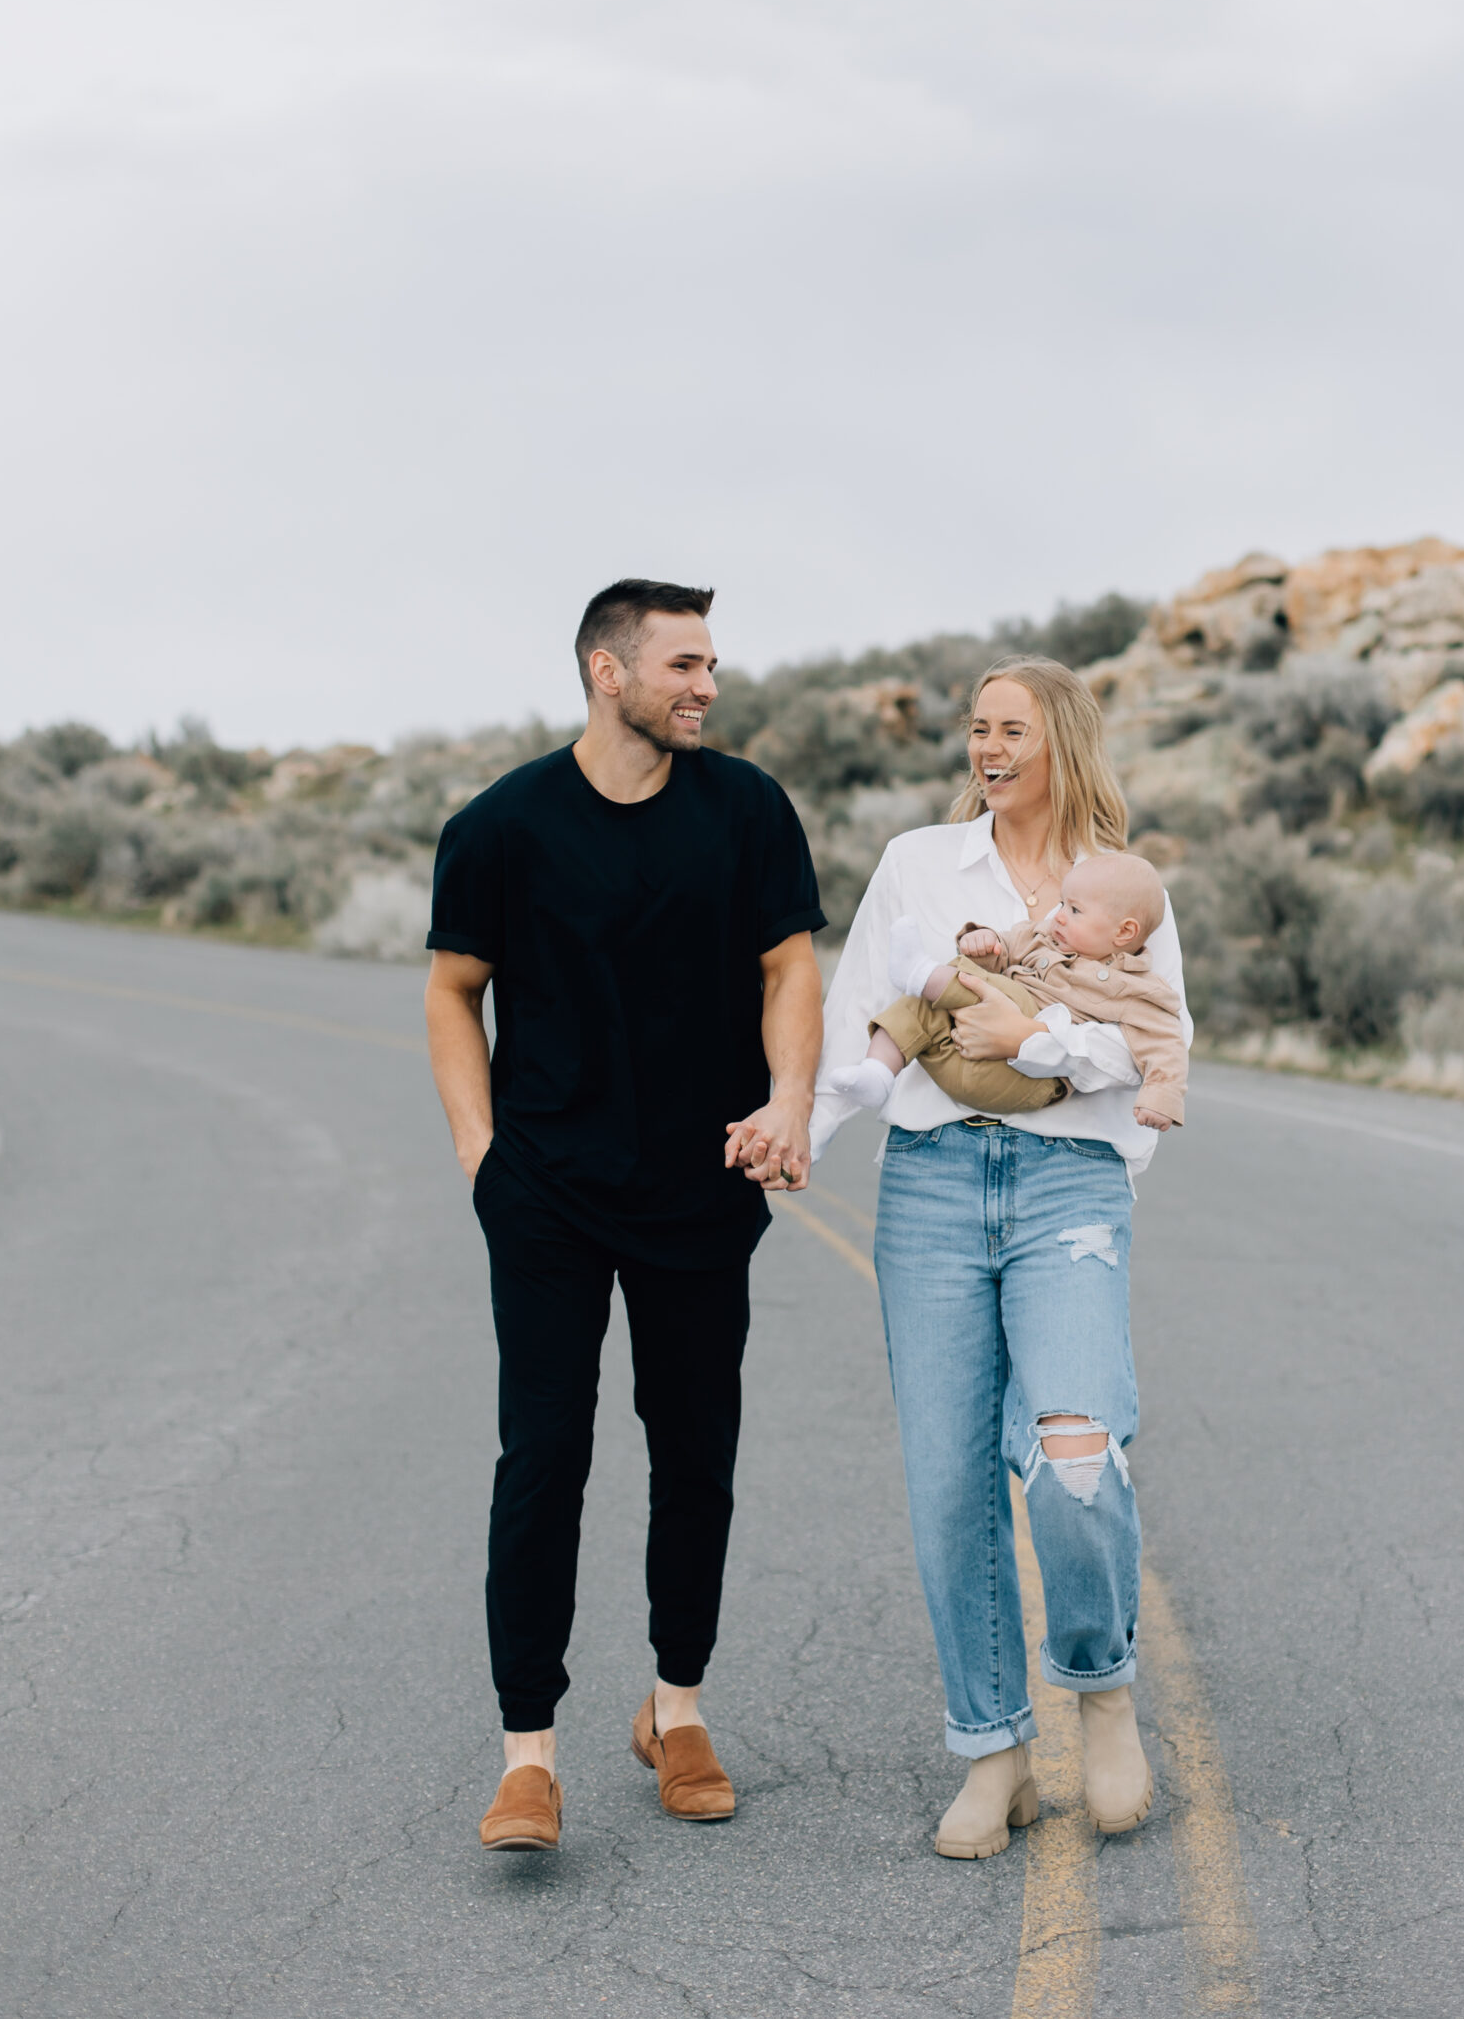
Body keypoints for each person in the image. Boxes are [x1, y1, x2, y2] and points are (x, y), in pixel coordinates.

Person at [425, 579, 825, 1853]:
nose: (706, 686)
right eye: (685, 665)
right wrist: (483, 1160)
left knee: (693, 1448)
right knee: (543, 1455)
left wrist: (790, 1100)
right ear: (609, 672)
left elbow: (787, 967)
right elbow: (452, 994)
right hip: (544, 1190)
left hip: (702, 1186)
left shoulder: (747, 808)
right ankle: (526, 1753)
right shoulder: (500, 827)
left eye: (712, 666)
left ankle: (677, 1707)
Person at [811, 656, 1190, 1860]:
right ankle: (991, 1751)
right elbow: (861, 1016)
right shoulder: (920, 865)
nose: (984, 746)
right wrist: (797, 1140)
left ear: (1060, 741)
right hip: (927, 1182)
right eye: (975, 729)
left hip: (1066, 1187)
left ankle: (1102, 1689)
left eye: (1008, 728)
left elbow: (1155, 1041)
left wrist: (1042, 1043)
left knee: (1074, 1454)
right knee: (947, 1485)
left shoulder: (1122, 887)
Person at [825, 849, 1188, 1129]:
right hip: (957, 1064)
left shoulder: (1138, 990)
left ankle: (921, 972)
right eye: (1061, 903)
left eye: (1075, 910)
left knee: (993, 991)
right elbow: (1002, 947)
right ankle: (877, 1073)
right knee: (922, 1006)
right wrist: (984, 941)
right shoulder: (1041, 938)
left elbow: (1166, 1045)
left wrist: (1160, 1099)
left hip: (1025, 1080)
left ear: (1123, 932)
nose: (1058, 914)